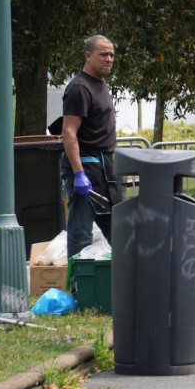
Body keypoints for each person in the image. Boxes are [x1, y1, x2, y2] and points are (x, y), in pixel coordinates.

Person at [61, 35, 123, 260]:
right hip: (86, 172)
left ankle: (124, 288)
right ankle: (78, 291)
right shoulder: (79, 87)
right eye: (103, 54)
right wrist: (78, 174)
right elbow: (68, 133)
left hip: (106, 172)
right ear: (88, 56)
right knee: (80, 236)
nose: (109, 59)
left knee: (120, 233)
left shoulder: (100, 84)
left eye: (112, 55)